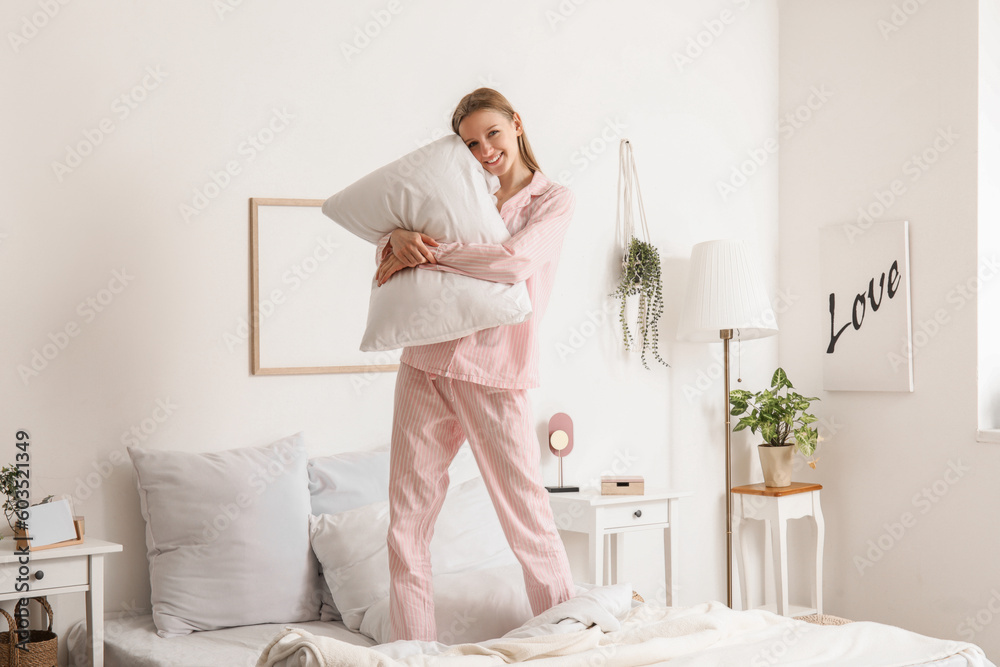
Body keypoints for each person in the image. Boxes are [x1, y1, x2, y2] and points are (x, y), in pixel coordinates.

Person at [375, 88, 576, 643]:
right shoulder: (462, 196)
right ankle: (411, 652)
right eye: (472, 143)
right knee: (406, 524)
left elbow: (514, 263)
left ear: (516, 123)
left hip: (495, 368)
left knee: (527, 518)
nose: (485, 149)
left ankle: (568, 644)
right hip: (425, 361)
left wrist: (435, 252)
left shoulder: (553, 201)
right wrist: (396, 238)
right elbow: (396, 260)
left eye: (492, 133)